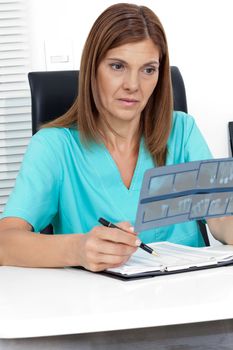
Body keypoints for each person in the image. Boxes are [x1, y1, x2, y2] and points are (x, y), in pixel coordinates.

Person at [0, 3, 232, 271]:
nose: (133, 84)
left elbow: (223, 221)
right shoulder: (54, 146)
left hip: (189, 304)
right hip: (98, 307)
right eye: (117, 66)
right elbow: (5, 242)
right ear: (92, 69)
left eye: (148, 69)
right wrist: (77, 249)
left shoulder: (181, 131)